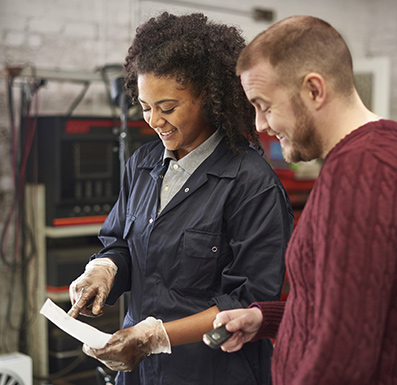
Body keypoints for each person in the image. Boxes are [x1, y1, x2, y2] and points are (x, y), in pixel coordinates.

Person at [67, 12, 293, 385]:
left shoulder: (252, 184)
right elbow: (122, 243)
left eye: (168, 107)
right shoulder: (143, 164)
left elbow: (248, 302)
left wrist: (155, 338)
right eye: (144, 107)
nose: (154, 120)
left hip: (212, 371)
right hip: (140, 369)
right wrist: (103, 270)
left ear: (208, 95)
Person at [214, 15, 397, 385]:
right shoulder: (381, 149)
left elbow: (345, 356)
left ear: (314, 90)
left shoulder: (361, 170)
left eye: (264, 104)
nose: (261, 124)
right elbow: (363, 307)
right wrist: (270, 318)